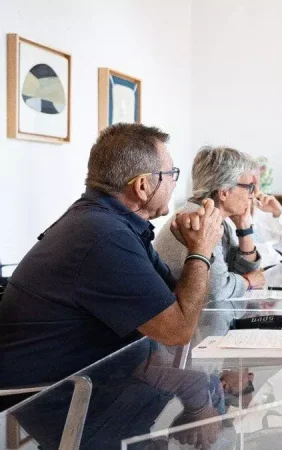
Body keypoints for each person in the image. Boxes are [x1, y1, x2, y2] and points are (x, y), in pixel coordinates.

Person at [0, 124, 222, 392]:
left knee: (205, 385)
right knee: (211, 389)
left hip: (94, 380)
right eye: (170, 173)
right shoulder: (104, 236)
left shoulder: (109, 223)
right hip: (49, 400)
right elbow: (178, 331)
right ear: (142, 186)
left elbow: (174, 299)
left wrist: (194, 247)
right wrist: (201, 250)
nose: (175, 182)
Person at [154, 146, 267, 314]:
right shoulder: (198, 220)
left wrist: (244, 229)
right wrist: (249, 281)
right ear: (224, 192)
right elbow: (217, 291)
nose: (252, 195)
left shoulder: (215, 218)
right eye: (249, 187)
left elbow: (242, 273)